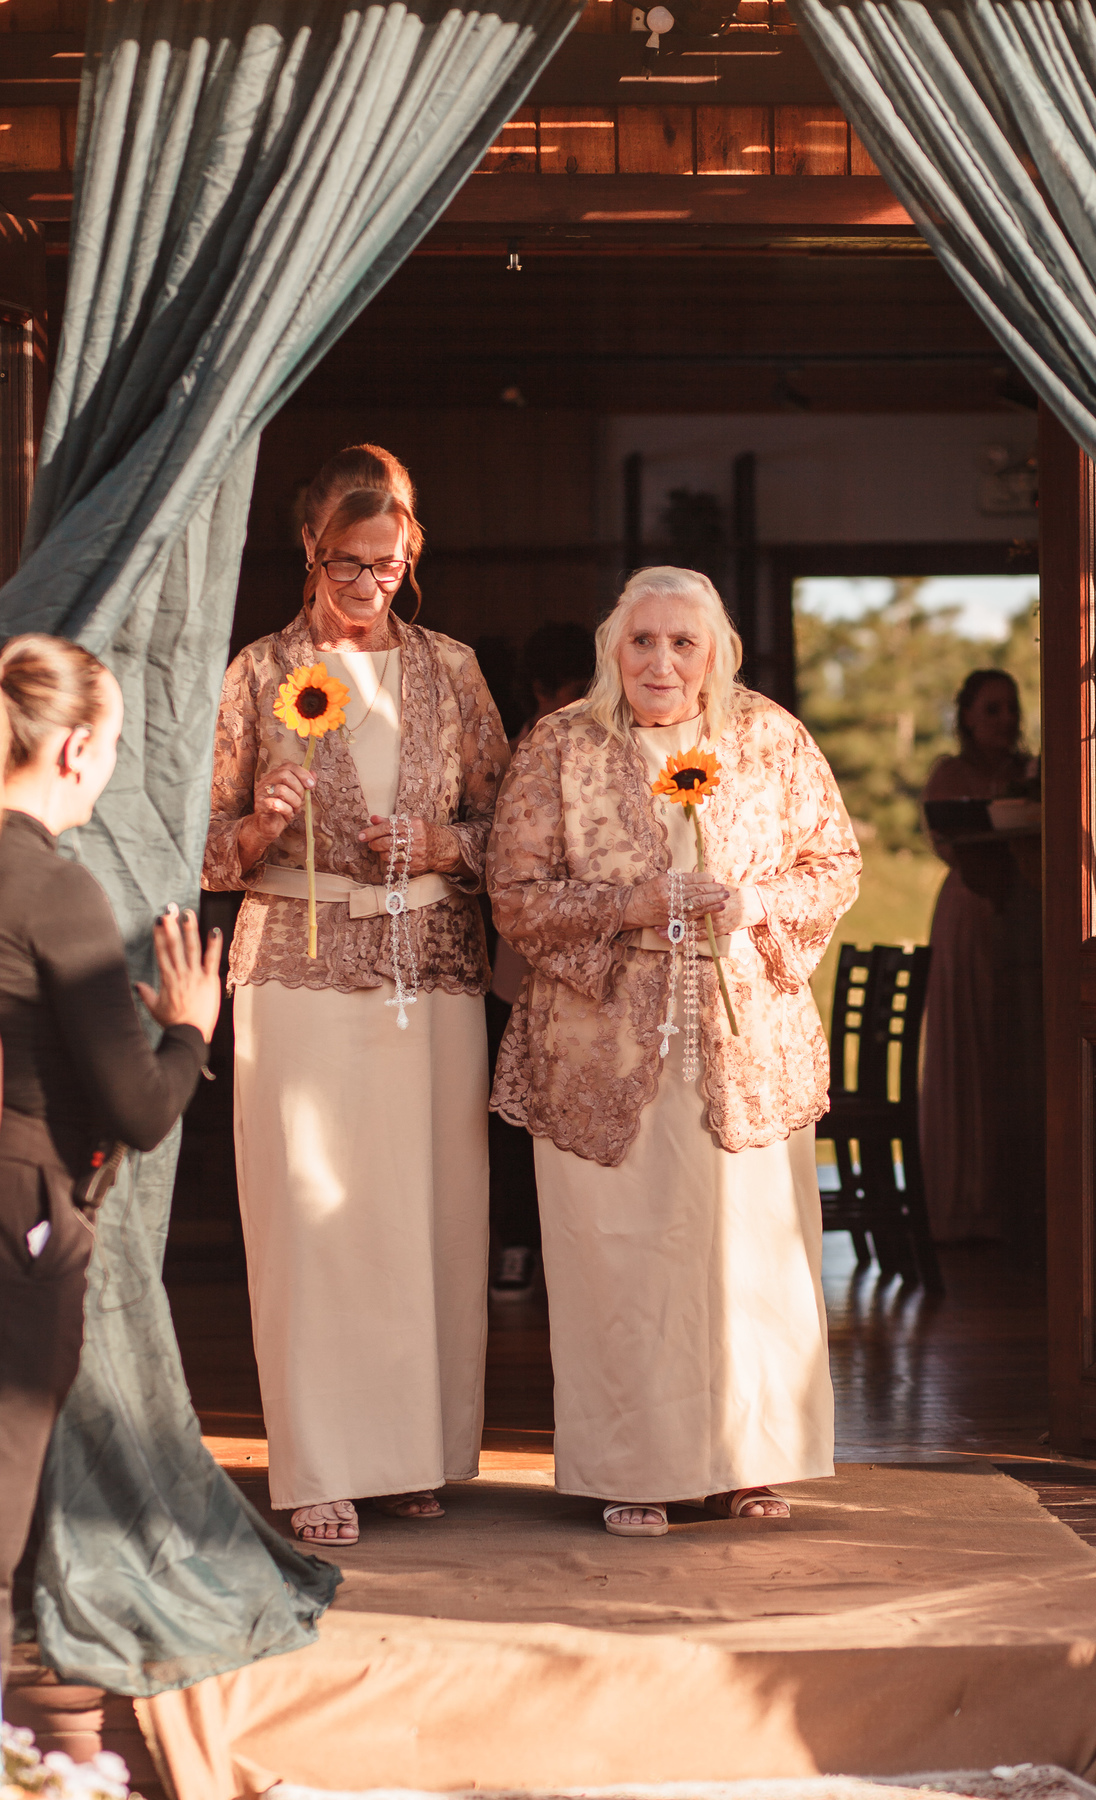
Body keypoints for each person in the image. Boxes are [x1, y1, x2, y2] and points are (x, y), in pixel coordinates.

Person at [487, 566, 860, 1537]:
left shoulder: (770, 738)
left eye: (682, 642)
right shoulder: (563, 744)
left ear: (718, 653)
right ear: (614, 648)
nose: (660, 660)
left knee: (745, 1255)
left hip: (743, 1044)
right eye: (642, 641)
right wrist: (630, 907)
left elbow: (833, 863)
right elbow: (516, 894)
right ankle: (630, 1469)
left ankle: (751, 1462)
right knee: (619, 1256)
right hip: (597, 1049)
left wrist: (759, 903)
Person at [203, 443, 509, 1547]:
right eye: (347, 562)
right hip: (298, 959)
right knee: (313, 1214)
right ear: (309, 552)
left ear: (410, 555)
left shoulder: (452, 670)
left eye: (387, 563)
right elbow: (198, 845)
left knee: (428, 1211)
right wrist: (258, 826)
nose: (367, 584)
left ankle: (415, 1452)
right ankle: (322, 1461)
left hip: (430, 966)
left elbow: (510, 832)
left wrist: (440, 840)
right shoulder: (255, 673)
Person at [0, 634, 220, 1681]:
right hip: (22, 1218)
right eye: (121, 743)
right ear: (78, 751)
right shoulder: (54, 890)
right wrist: (189, 1028)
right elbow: (139, 1110)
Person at [488, 620, 596, 1302]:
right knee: (518, 1106)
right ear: (539, 692)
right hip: (526, 957)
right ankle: (520, 1243)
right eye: (573, 691)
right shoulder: (526, 750)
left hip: (591, 953)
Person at [920, 668, 1043, 1245]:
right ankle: (966, 1202)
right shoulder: (952, 775)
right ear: (968, 715)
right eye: (992, 709)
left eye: (1011, 708)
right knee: (969, 1045)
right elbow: (948, 839)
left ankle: (1025, 1202)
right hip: (971, 915)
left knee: (1020, 1052)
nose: (1005, 719)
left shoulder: (1033, 772)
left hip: (1028, 914)